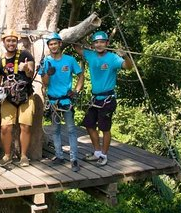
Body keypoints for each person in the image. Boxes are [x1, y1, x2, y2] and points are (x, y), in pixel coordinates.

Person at [73, 30, 132, 166]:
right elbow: (76, 48)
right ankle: (97, 152)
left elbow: (128, 67)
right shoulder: (90, 55)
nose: (99, 45)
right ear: (93, 44)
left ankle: (104, 155)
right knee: (89, 125)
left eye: (102, 42)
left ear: (107, 43)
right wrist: (78, 34)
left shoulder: (113, 58)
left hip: (107, 99)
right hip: (95, 99)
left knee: (105, 128)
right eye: (96, 42)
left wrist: (126, 56)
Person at [39, 32, 84, 172]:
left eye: (55, 43)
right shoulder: (46, 61)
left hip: (66, 99)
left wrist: (76, 90)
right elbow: (44, 83)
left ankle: (74, 159)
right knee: (55, 130)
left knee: (71, 129)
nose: (53, 46)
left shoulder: (69, 60)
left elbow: (80, 75)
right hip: (53, 100)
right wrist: (48, 73)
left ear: (60, 44)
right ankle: (59, 156)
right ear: (49, 46)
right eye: (50, 44)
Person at [0, 29, 35, 167]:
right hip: (8, 96)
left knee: (25, 126)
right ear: (3, 42)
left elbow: (30, 75)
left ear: (17, 42)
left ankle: (23, 156)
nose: (11, 43)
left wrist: (26, 68)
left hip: (25, 94)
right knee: (5, 127)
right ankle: (7, 155)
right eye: (8, 41)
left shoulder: (25, 55)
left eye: (13, 41)